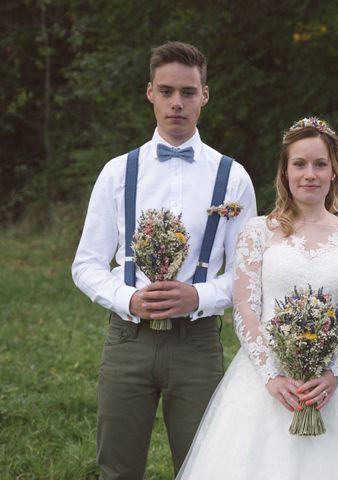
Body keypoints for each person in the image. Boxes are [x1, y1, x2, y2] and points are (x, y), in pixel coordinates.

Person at [177, 117, 338, 479]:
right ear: (285, 171)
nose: (310, 174)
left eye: (320, 164)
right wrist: (272, 375)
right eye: (299, 164)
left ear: (334, 172)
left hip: (337, 382)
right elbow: (245, 308)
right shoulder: (257, 231)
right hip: (265, 382)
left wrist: (333, 373)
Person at [71, 41, 257, 479]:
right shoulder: (118, 173)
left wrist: (200, 295)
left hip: (197, 343)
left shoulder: (232, 176)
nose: (177, 103)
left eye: (188, 93)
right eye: (168, 91)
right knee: (117, 466)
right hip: (127, 341)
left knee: (203, 467)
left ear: (204, 95)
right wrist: (127, 298)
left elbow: (250, 273)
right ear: (150, 92)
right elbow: (86, 264)